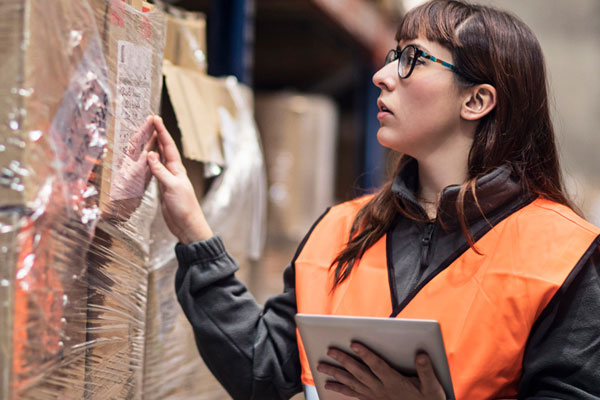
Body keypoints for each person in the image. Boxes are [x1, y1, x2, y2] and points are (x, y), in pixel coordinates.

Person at [146, 0, 600, 398]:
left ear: (477, 100)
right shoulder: (341, 232)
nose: (382, 76)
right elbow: (261, 373)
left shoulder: (562, 253)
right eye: (391, 57)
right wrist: (193, 231)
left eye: (412, 60)